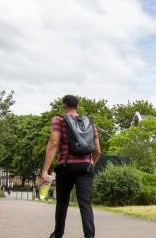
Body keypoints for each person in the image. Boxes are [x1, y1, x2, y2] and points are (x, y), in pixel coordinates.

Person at [41, 95, 101, 238]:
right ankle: (89, 236)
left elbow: (54, 143)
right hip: (86, 167)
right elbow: (98, 151)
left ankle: (58, 234)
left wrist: (45, 170)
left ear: (64, 105)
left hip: (66, 166)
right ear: (77, 105)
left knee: (62, 202)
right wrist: (91, 163)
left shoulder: (59, 120)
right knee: (85, 203)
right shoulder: (89, 123)